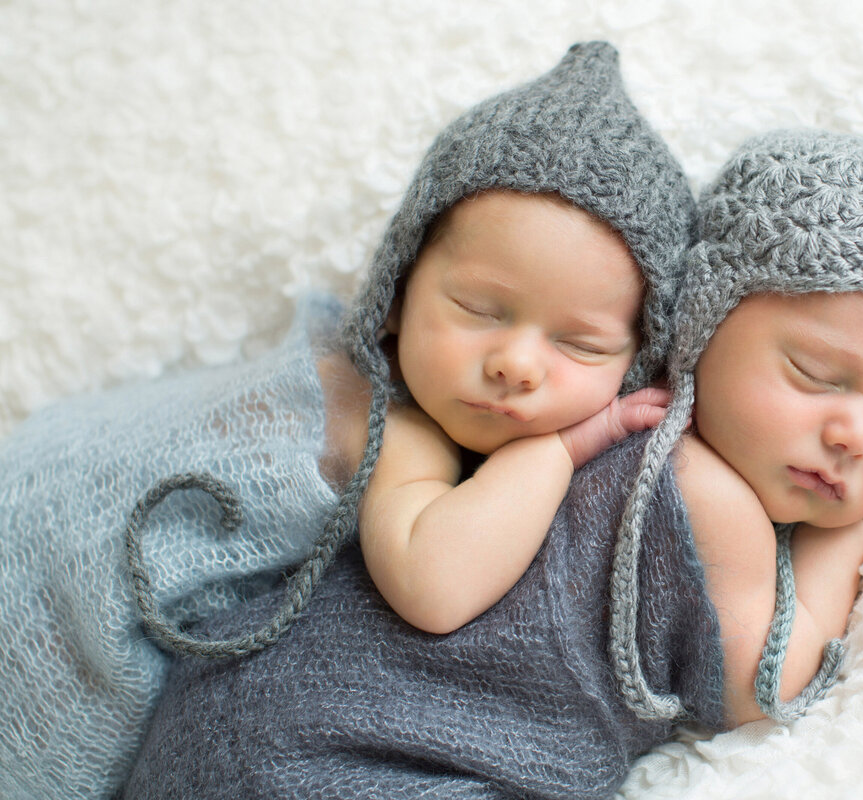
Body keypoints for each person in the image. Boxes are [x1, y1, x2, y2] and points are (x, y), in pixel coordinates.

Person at [121, 129, 863, 798]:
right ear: (700, 325)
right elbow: (767, 679)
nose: (851, 434)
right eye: (815, 374)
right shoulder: (695, 491)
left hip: (228, 720)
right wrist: (861, 529)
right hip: (363, 760)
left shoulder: (570, 427)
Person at [0, 41, 695, 799]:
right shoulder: (387, 418)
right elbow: (434, 582)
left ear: (638, 364)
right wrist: (560, 448)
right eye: (478, 310)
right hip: (42, 562)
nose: (517, 363)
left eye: (578, 343)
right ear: (395, 296)